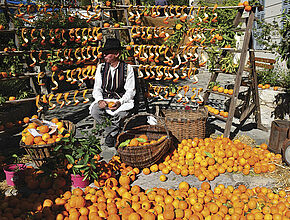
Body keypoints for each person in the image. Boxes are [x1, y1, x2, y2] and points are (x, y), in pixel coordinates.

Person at [89, 38, 136, 147]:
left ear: (116, 54)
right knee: (95, 111)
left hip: (120, 100)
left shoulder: (127, 69)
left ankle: (111, 134)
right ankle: (114, 132)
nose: (104, 56)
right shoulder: (100, 68)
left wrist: (120, 102)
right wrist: (100, 100)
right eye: (104, 53)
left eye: (107, 53)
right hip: (105, 99)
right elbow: (97, 88)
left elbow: (130, 90)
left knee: (122, 113)